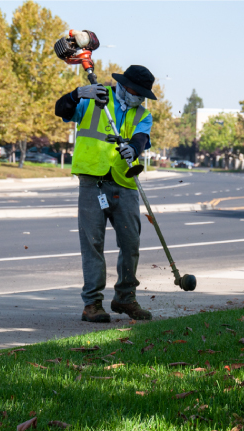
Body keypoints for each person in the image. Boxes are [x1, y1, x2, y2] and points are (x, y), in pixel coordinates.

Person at [55, 65, 156, 323]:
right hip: (92, 181)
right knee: (93, 245)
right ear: (123, 85)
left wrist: (134, 149)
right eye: (136, 92)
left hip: (124, 183)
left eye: (143, 95)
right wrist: (77, 94)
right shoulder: (95, 98)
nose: (138, 98)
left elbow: (142, 138)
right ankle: (92, 304)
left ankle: (125, 297)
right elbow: (61, 110)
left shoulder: (142, 113)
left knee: (131, 243)